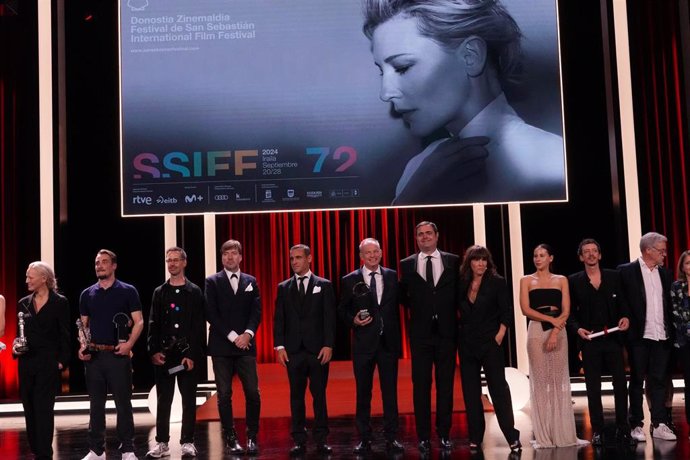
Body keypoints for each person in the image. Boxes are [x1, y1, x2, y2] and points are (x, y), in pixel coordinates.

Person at [363, 0, 565, 205]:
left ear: (471, 56)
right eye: (382, 71)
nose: (385, 93)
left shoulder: (552, 162)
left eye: (402, 67)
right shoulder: (419, 168)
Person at [337, 238, 404, 455]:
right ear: (361, 256)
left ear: (381, 253)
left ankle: (392, 437)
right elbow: (342, 310)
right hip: (364, 344)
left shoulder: (392, 276)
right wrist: (353, 320)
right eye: (368, 253)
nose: (373, 256)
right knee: (363, 392)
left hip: (388, 344)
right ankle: (364, 438)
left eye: (376, 252)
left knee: (390, 393)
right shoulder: (350, 280)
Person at [399, 221, 459, 453]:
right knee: (421, 387)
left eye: (428, 234)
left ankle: (444, 434)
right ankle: (423, 436)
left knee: (445, 386)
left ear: (436, 235)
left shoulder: (453, 260)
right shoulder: (407, 264)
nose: (424, 238)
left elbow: (458, 293)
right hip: (420, 336)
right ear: (416, 239)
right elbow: (404, 297)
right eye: (420, 235)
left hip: (446, 334)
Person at [78, 249, 144, 460]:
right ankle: (96, 450)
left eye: (104, 262)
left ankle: (127, 449)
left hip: (118, 355)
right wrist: (83, 346)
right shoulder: (87, 294)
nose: (100, 266)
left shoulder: (128, 291)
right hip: (95, 357)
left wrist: (129, 345)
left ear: (114, 266)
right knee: (95, 405)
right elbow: (83, 326)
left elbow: (139, 321)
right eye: (97, 262)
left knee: (123, 404)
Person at [519, 244, 587, 448]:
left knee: (558, 381)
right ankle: (544, 435)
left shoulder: (561, 280)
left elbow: (566, 310)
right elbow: (525, 309)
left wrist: (556, 330)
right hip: (537, 331)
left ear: (551, 258)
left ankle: (563, 434)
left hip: (559, 332)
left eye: (542, 255)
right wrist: (552, 321)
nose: (538, 259)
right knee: (540, 382)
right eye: (535, 255)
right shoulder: (526, 280)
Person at [568, 239, 633, 446]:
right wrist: (577, 329)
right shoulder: (574, 280)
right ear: (581, 257)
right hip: (590, 341)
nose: (591, 254)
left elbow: (624, 303)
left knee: (621, 385)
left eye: (594, 251)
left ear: (600, 255)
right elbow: (569, 313)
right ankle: (597, 430)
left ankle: (624, 429)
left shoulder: (614, 276)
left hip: (613, 338)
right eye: (586, 252)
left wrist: (626, 317)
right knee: (592, 387)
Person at [273, 244, 336, 456]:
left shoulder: (324, 285)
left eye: (298, 258)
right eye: (292, 258)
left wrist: (329, 345)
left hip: (318, 350)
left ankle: (321, 439)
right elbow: (279, 319)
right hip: (293, 352)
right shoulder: (284, 287)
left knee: (319, 396)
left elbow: (330, 318)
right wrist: (280, 346)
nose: (294, 262)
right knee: (296, 397)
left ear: (309, 259)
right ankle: (299, 439)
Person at [457, 245, 521, 452]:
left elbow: (506, 310)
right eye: (476, 260)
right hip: (467, 343)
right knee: (471, 391)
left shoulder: (497, 282)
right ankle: (475, 436)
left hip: (490, 342)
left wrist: (500, 334)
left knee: (498, 389)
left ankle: (512, 436)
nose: (481, 264)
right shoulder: (462, 282)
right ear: (470, 262)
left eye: (484, 260)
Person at [146, 247, 206, 458]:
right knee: (164, 400)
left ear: (184, 262)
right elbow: (152, 324)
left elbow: (199, 327)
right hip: (165, 356)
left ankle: (187, 442)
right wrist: (153, 351)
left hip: (187, 355)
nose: (171, 264)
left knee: (189, 400)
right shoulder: (159, 292)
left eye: (175, 260)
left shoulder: (195, 291)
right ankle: (162, 442)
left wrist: (193, 355)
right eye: (168, 260)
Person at [205, 239, 262, 455]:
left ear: (240, 257)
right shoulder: (212, 281)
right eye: (226, 254)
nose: (230, 257)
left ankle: (252, 436)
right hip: (221, 346)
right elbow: (211, 313)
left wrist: (247, 335)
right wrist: (232, 336)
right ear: (222, 258)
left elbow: (256, 312)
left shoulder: (251, 281)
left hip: (246, 346)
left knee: (253, 393)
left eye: (233, 253)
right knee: (224, 394)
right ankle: (230, 438)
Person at [617, 232, 676, 442]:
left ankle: (659, 423)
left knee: (659, 380)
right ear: (648, 250)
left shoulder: (665, 274)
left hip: (661, 335)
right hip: (639, 336)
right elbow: (621, 302)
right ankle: (636, 424)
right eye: (661, 250)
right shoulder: (626, 272)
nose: (665, 255)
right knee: (636, 380)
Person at [12, 262, 69, 460]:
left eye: (31, 277)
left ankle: (45, 453)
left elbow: (65, 334)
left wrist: (61, 362)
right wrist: (15, 347)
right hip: (27, 364)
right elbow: (20, 335)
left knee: (44, 409)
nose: (26, 280)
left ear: (44, 278)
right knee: (29, 409)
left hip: (48, 364)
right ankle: (37, 451)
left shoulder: (59, 302)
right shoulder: (23, 303)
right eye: (27, 276)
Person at [671, 249, 690, 437]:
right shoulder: (676, 287)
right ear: (682, 267)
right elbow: (676, 315)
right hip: (685, 342)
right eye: (688, 263)